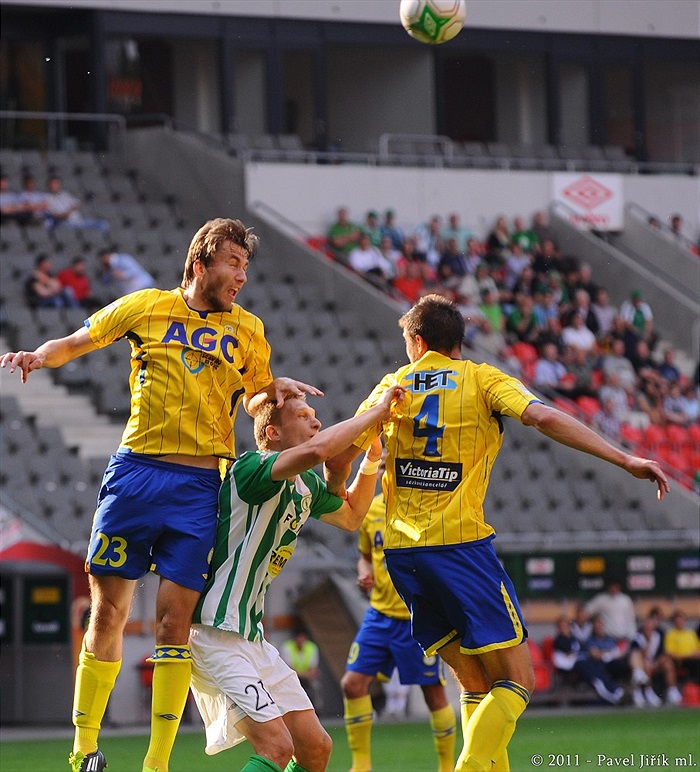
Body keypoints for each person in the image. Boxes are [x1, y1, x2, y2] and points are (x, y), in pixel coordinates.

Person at [1, 217, 322, 772]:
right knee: (108, 612)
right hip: (136, 475)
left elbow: (251, 402)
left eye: (246, 266)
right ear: (201, 263)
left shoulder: (249, 330)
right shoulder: (146, 306)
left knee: (175, 625)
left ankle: (156, 763)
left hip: (201, 487)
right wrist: (38, 356)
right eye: (233, 264)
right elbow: (80, 341)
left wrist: (272, 393)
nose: (241, 276)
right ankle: (83, 752)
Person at [323, 294, 668, 772]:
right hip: (460, 548)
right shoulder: (483, 378)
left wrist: (338, 489)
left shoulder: (392, 385)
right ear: (457, 343)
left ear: (417, 343)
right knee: (518, 681)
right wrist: (625, 458)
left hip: (401, 555)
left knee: (474, 683)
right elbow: (543, 416)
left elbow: (342, 452)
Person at [189, 384, 404, 772]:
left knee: (316, 748)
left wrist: (371, 459)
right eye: (302, 417)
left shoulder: (305, 486)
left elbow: (353, 516)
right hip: (214, 631)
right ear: (272, 433)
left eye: (313, 415)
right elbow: (319, 452)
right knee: (275, 747)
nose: (315, 421)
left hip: (252, 638)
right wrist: (376, 415)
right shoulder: (252, 468)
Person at [341, 452, 456, 772]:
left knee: (434, 695)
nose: (383, 472)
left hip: (417, 618)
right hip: (379, 615)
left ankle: (448, 767)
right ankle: (360, 766)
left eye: (388, 466)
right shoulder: (372, 509)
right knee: (352, 684)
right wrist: (364, 571)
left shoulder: (423, 508)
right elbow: (365, 554)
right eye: (379, 467)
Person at [551, 617, 624, 705]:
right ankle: (611, 696)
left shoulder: (574, 639)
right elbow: (565, 657)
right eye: (562, 626)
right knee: (595, 678)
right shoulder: (559, 641)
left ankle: (615, 689)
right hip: (572, 665)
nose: (565, 628)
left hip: (582, 661)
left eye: (566, 625)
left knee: (599, 668)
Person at [44, 175, 109, 233]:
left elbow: (76, 204)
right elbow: (56, 215)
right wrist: (67, 212)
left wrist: (68, 211)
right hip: (62, 224)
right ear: (49, 185)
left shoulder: (65, 194)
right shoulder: (46, 197)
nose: (56, 186)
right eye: (54, 184)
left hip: (77, 221)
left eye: (57, 183)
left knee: (102, 223)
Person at [280, 629, 322, 710]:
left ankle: (316, 709)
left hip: (307, 678)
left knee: (316, 687)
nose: (301, 640)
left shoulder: (311, 647)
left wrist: (308, 675)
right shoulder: (287, 647)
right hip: (291, 677)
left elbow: (313, 668)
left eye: (302, 638)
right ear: (295, 639)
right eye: (299, 638)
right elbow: (288, 667)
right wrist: (303, 675)